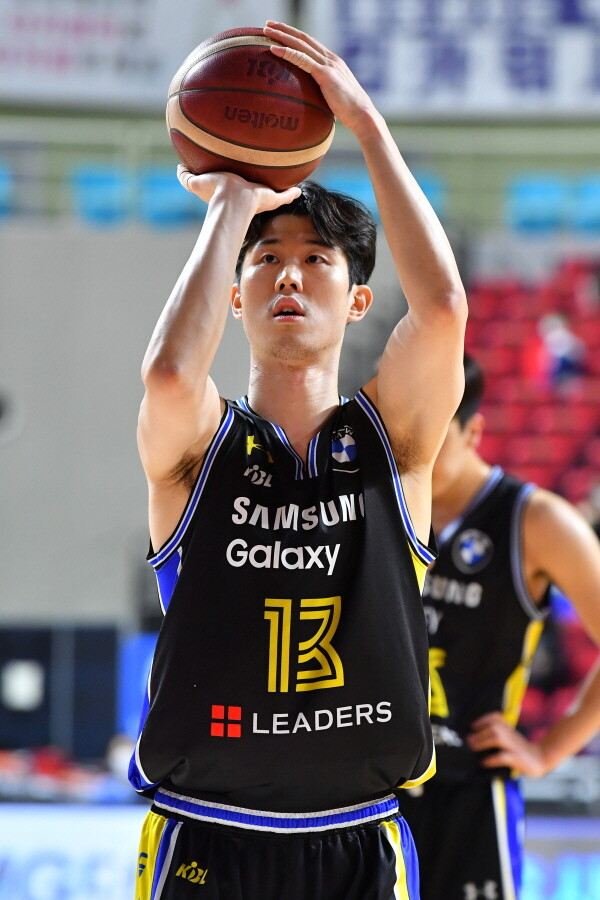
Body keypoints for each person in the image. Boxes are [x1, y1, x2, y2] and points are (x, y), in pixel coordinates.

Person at [129, 20, 467, 900]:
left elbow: (441, 311)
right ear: (235, 296)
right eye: (267, 261)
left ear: (357, 301)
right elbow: (169, 375)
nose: (288, 276)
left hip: (358, 837)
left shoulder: (395, 444)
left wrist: (367, 128)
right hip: (209, 829)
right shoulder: (200, 450)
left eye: (316, 260)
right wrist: (232, 203)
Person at [397, 354, 600, 900]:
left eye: (434, 439)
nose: (416, 455)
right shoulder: (382, 506)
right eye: (406, 438)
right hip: (377, 786)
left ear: (474, 432)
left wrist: (547, 752)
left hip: (471, 791)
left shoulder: (537, 520)